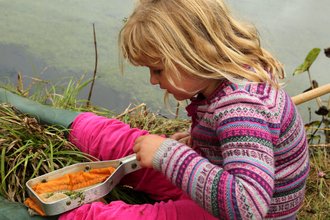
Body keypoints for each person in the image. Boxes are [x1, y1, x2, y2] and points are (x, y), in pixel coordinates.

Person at [0, 0, 309, 219]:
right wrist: (198, 140)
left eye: (158, 70)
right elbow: (236, 140)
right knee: (126, 143)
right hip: (221, 184)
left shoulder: (241, 109)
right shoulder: (226, 76)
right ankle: (29, 108)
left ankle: (21, 213)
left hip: (236, 212)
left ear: (193, 55)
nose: (152, 80)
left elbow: (246, 206)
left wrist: (169, 155)